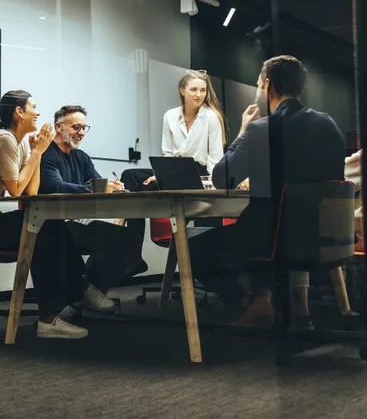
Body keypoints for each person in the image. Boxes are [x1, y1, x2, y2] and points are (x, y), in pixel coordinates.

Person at [190, 55, 345, 325]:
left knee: (195, 249)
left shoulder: (262, 129)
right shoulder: (328, 124)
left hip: (275, 237)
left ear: (268, 85)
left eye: (258, 84)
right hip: (324, 234)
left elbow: (222, 178)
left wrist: (243, 130)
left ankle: (251, 304)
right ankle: (263, 301)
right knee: (260, 223)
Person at [0, 91, 115, 340]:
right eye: (33, 107)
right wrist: (38, 153)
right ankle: (58, 309)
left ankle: (73, 295)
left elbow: (31, 191)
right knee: (43, 226)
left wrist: (35, 153)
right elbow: (16, 190)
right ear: (19, 113)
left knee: (47, 224)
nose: (38, 112)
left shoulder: (20, 143)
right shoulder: (4, 139)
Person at [39, 105, 147, 292]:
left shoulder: (81, 157)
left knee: (129, 237)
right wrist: (97, 188)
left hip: (75, 222)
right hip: (53, 225)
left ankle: (91, 288)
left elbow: (98, 185)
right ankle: (86, 290)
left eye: (84, 128)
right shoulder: (47, 154)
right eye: (76, 127)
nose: (81, 133)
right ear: (59, 127)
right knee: (117, 240)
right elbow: (55, 186)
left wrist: (114, 188)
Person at [140, 70, 227, 187]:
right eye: (193, 89)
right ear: (182, 91)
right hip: (174, 169)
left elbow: (215, 157)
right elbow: (168, 153)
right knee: (131, 175)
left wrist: (212, 184)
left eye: (203, 90)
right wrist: (162, 174)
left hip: (199, 172)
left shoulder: (211, 117)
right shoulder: (170, 116)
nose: (199, 95)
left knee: (153, 187)